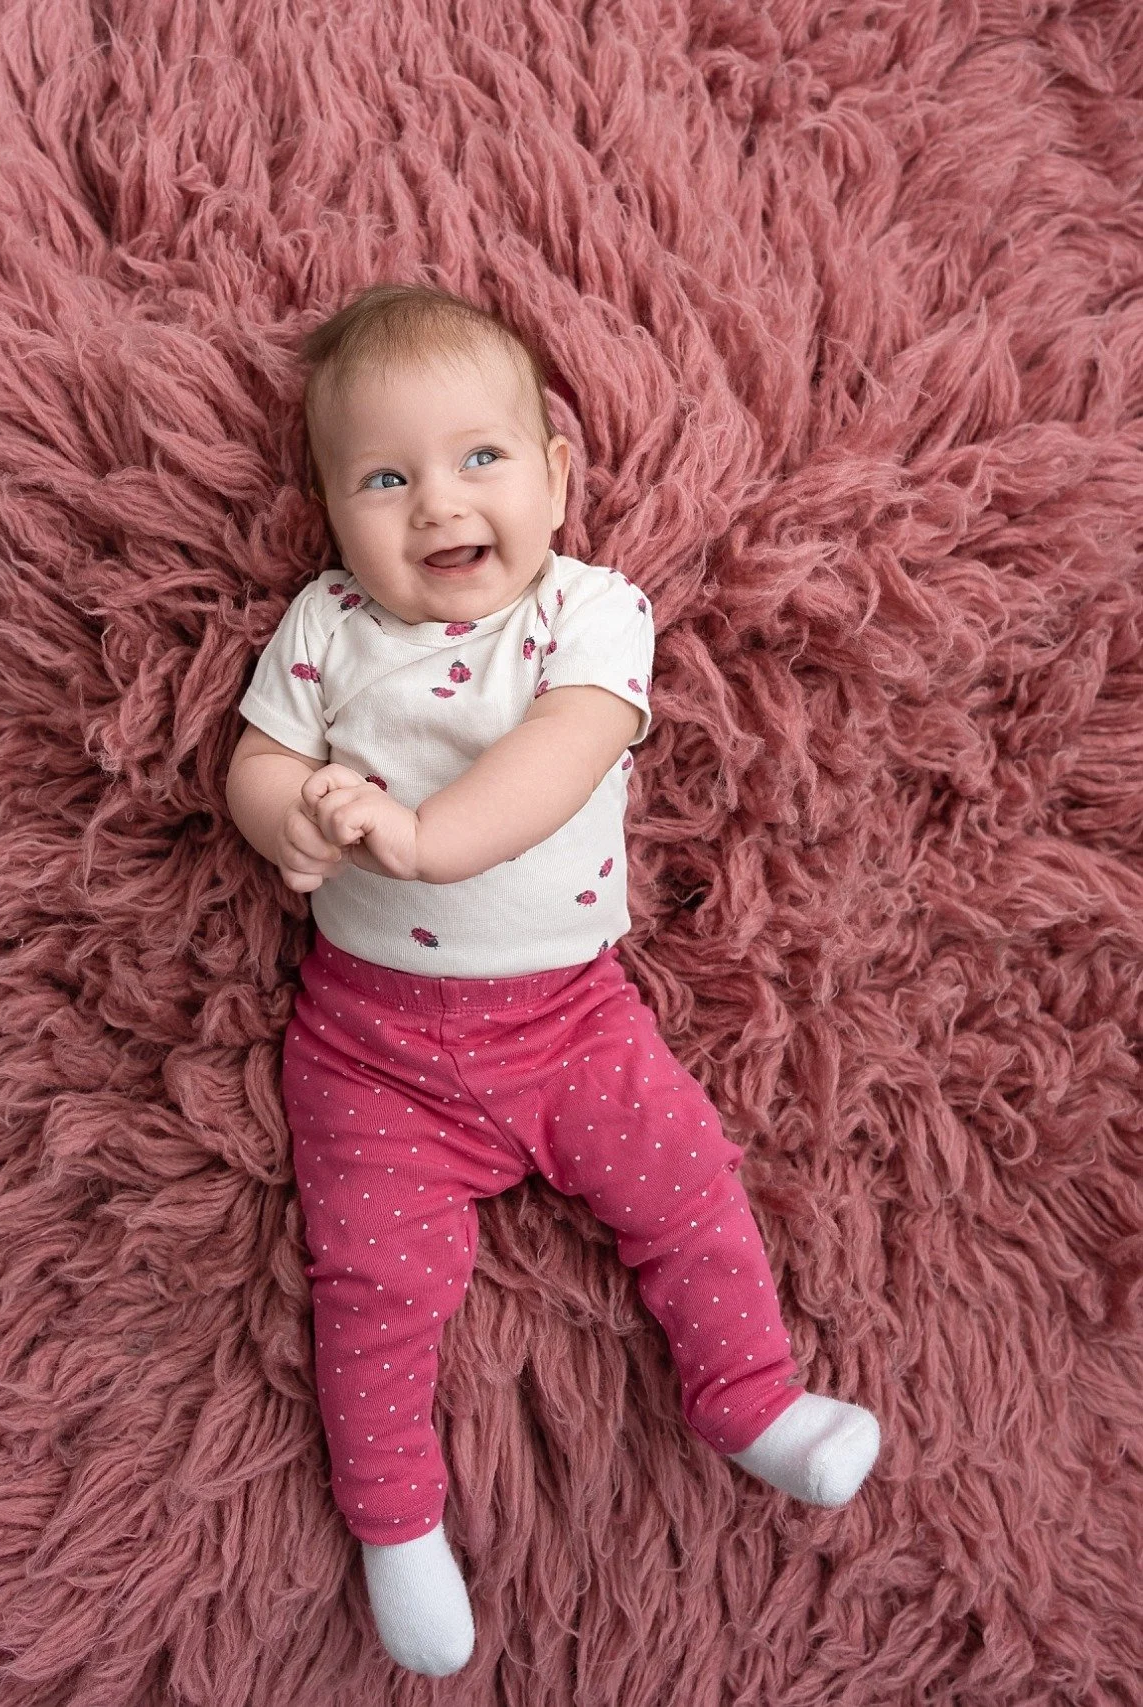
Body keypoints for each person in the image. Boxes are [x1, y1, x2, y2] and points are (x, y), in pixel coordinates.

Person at [225, 283, 881, 1677]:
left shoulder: (588, 616)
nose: (436, 506)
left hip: (570, 1020)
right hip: (370, 1045)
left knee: (690, 1189)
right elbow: (260, 757)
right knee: (373, 1288)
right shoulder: (327, 623)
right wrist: (282, 815)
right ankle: (395, 1521)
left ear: (555, 474)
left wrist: (416, 837)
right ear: (333, 511)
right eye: (383, 478)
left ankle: (750, 1400)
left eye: (479, 459)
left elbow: (558, 761)